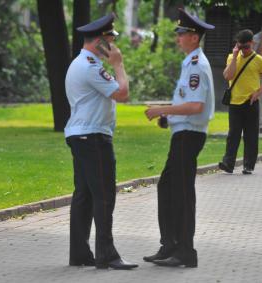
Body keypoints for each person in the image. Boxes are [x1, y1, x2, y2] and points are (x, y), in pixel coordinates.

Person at [64, 13, 137, 270]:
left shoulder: (81, 63)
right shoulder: (91, 66)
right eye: (111, 40)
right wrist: (118, 64)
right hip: (93, 137)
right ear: (99, 43)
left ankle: (80, 254)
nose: (114, 46)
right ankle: (107, 254)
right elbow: (123, 94)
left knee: (84, 195)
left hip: (82, 135)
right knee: (104, 195)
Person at [144, 8, 215, 268]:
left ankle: (185, 251)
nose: (178, 37)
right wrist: (169, 118)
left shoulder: (197, 65)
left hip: (190, 136)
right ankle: (170, 245)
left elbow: (196, 107)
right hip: (182, 133)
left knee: (182, 193)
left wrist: (161, 110)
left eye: (182, 33)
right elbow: (186, 103)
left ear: (194, 37)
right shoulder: (189, 63)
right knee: (168, 187)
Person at [218, 30, 262, 175]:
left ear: (252, 44)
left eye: (247, 47)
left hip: (251, 103)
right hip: (234, 102)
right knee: (233, 135)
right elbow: (228, 75)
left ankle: (248, 165)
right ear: (237, 45)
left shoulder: (260, 60)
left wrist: (257, 93)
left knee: (251, 136)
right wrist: (235, 56)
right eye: (241, 47)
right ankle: (228, 164)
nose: (244, 50)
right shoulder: (231, 57)